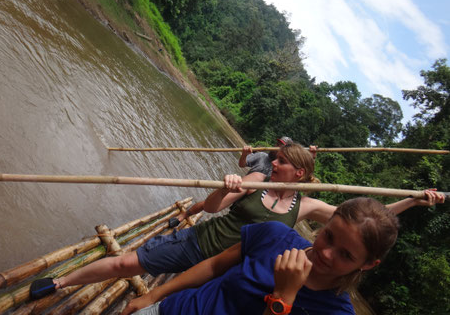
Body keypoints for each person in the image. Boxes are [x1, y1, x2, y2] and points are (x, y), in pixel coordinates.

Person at [29, 143, 444, 299]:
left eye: (281, 160)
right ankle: (62, 282)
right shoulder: (255, 177)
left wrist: (411, 202)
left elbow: (366, 224)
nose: (273, 161)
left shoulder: (310, 207)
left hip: (223, 272)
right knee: (126, 264)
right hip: (200, 245)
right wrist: (230, 183)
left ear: (298, 174)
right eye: (275, 159)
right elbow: (211, 208)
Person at [122, 197, 400, 315]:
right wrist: (154, 296)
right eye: (328, 236)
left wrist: (283, 298)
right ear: (324, 224)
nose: (325, 253)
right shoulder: (275, 235)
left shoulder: (335, 312)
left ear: (367, 264)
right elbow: (215, 265)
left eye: (346, 255)